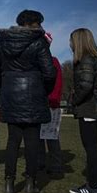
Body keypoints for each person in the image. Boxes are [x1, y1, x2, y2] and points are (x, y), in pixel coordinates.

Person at [0, 10, 56, 193]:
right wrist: (43, 90)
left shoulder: (3, 40)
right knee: (32, 142)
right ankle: (30, 183)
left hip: (11, 94)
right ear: (33, 23)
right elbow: (50, 72)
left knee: (13, 141)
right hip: (33, 94)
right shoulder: (38, 41)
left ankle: (9, 184)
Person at [68, 28, 97, 193]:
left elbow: (86, 85)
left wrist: (74, 101)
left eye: (72, 40)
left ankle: (93, 186)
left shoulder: (87, 59)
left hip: (88, 107)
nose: (70, 44)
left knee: (91, 148)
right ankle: (95, 182)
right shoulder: (96, 57)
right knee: (92, 147)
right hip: (91, 107)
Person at [38, 32, 64, 179]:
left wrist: (53, 100)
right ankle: (40, 163)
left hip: (50, 104)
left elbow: (58, 84)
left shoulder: (53, 61)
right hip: (38, 104)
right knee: (38, 137)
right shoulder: (36, 62)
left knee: (52, 137)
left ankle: (56, 166)